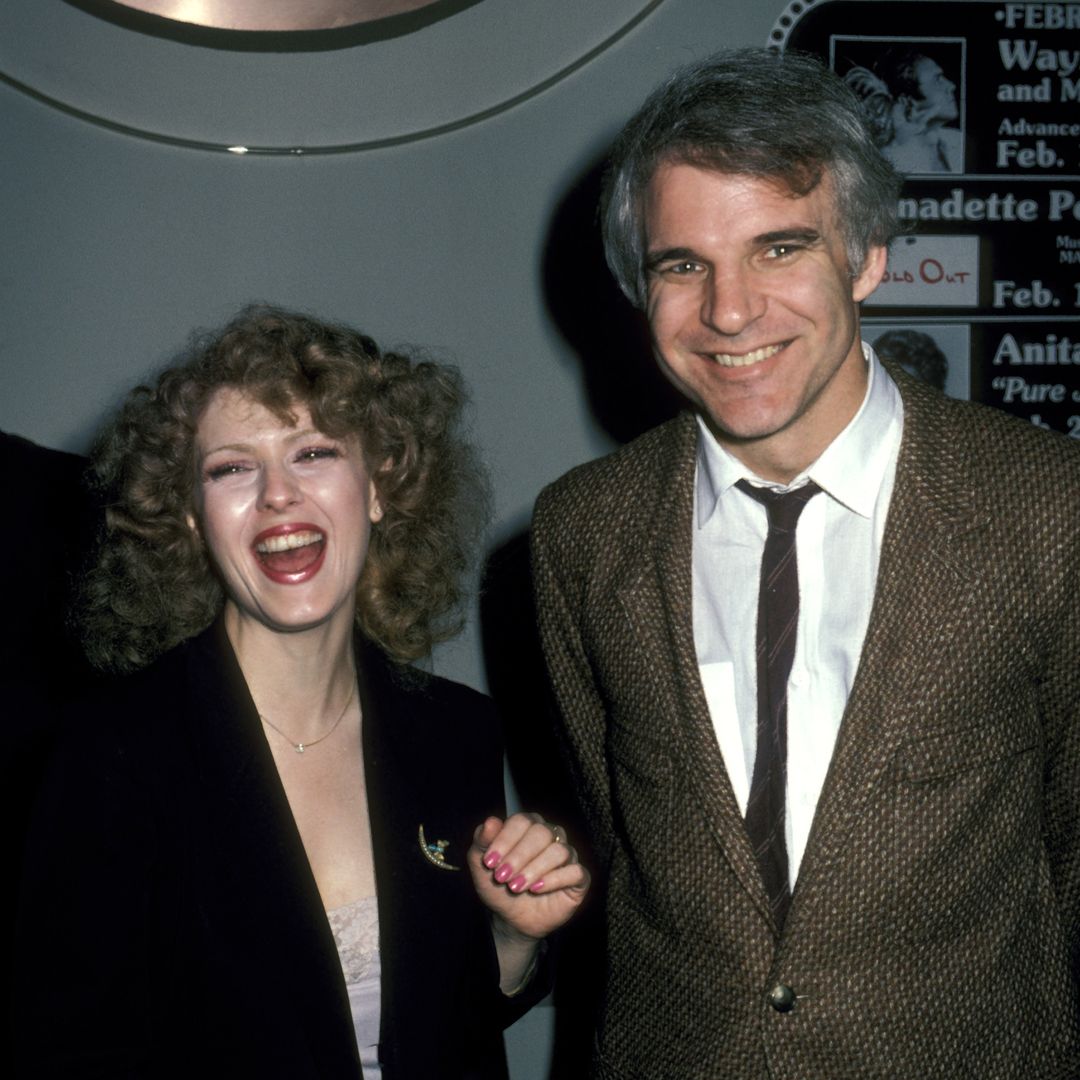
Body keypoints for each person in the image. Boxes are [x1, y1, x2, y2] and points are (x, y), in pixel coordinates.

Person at [531, 47, 1080, 1078]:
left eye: (779, 250)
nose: (729, 312)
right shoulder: (580, 535)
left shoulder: (1049, 511)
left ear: (867, 256)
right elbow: (623, 846)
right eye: (681, 265)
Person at [13, 306, 589, 1078]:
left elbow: (454, 1025)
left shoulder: (457, 732)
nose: (278, 494)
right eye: (231, 467)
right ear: (191, 517)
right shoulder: (113, 753)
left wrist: (514, 935)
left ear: (380, 487)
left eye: (313, 452)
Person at [844, 47, 963, 174]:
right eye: (937, 79)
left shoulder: (957, 141)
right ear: (907, 101)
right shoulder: (887, 157)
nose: (951, 85)